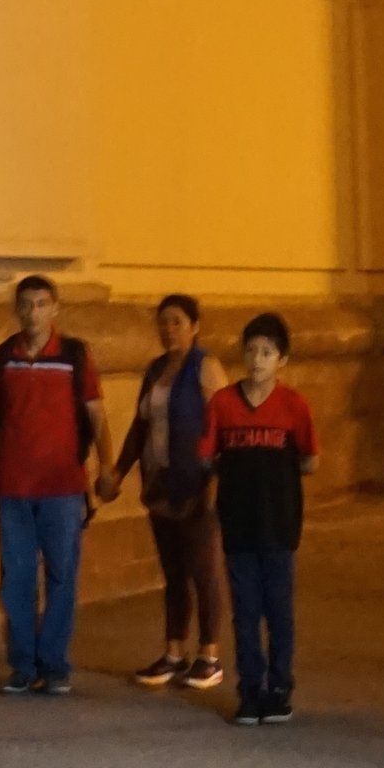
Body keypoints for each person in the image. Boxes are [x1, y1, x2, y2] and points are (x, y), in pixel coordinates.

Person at [0, 273, 105, 696]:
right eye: (26, 305)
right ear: (17, 310)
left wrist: (106, 468)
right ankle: (22, 664)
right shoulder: (3, 357)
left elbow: (95, 415)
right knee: (15, 578)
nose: (33, 313)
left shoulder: (74, 355)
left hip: (63, 485)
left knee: (61, 576)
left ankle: (53, 664)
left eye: (41, 304)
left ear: (55, 309)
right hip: (14, 487)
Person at [101, 293, 225, 692]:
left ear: (194, 326)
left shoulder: (205, 368)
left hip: (198, 483)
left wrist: (217, 480)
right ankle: (174, 652)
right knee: (172, 572)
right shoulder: (155, 371)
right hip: (161, 484)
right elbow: (140, 428)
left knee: (203, 571)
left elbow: (223, 427)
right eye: (163, 322)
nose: (168, 330)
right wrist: (118, 472)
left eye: (176, 322)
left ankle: (209, 655)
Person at [202, 312, 318, 723]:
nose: (257, 360)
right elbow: (206, 456)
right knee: (246, 611)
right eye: (251, 350)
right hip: (238, 524)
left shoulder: (293, 406)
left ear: (281, 360)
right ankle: (250, 689)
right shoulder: (223, 404)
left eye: (267, 352)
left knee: (279, 610)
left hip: (280, 524)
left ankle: (280, 686)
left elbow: (310, 459)